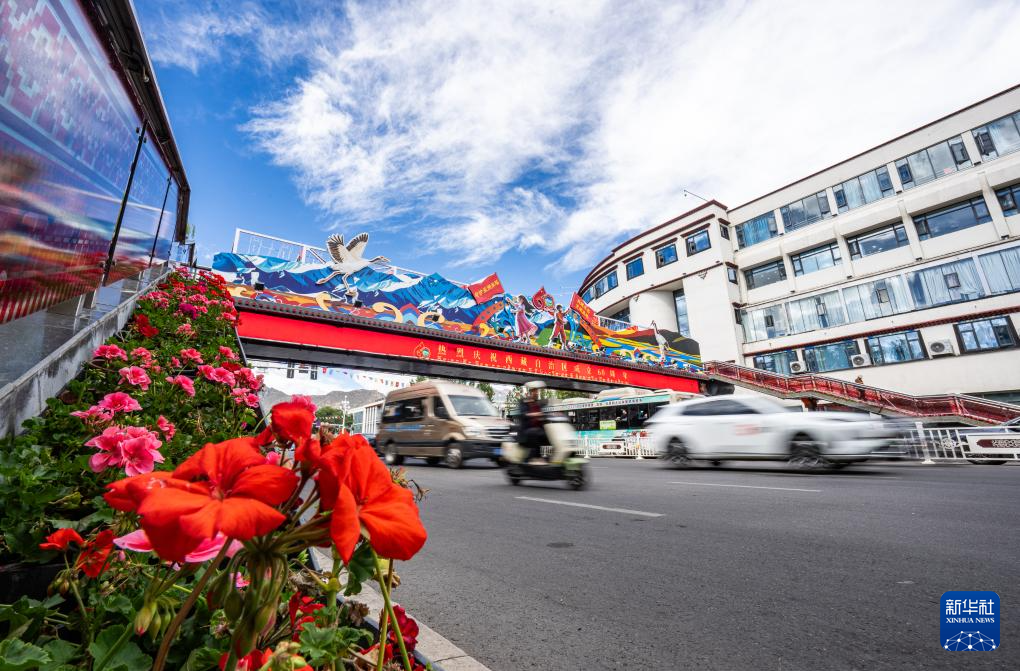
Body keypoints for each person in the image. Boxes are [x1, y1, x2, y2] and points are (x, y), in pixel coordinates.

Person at [515, 381, 548, 462]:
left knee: (548, 434)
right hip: (526, 430)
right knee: (536, 432)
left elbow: (543, 414)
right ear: (530, 392)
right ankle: (530, 458)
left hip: (538, 429)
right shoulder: (523, 401)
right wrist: (535, 414)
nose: (536, 393)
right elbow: (522, 414)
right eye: (534, 391)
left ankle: (546, 457)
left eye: (537, 391)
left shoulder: (538, 403)